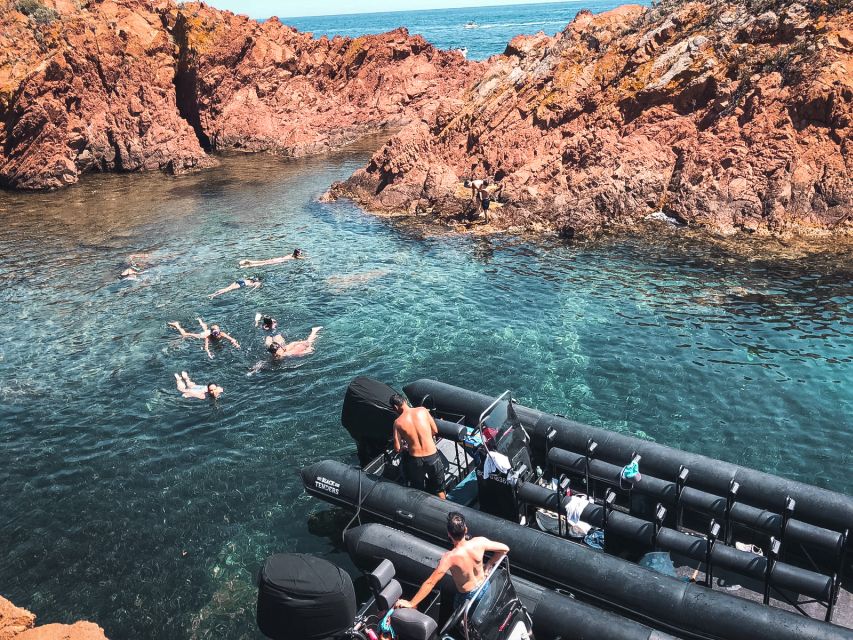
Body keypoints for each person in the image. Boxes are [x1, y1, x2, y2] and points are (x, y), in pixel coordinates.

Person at [396, 512, 509, 611]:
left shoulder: (449, 558)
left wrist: (411, 603)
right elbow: (505, 549)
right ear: (466, 529)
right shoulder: (479, 542)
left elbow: (430, 582)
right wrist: (489, 563)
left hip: (468, 596)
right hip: (484, 586)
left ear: (449, 534)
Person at [390, 393, 447, 499]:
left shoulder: (397, 423)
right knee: (439, 489)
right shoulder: (423, 410)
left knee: (418, 489)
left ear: (396, 407)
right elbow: (435, 430)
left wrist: (406, 445)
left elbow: (397, 448)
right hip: (432, 456)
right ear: (405, 401)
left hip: (416, 461)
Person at [168, 318, 240, 358]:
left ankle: (200, 321)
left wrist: (235, 343)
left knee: (206, 329)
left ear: (219, 331)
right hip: (202, 335)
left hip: (207, 331)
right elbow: (206, 347)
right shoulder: (207, 337)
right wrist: (209, 353)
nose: (216, 335)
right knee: (184, 334)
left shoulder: (222, 334)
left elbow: (232, 339)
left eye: (217, 333)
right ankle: (177, 325)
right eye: (214, 333)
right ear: (212, 333)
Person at [239, 248, 304, 268]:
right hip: (278, 261)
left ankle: (249, 261)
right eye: (301, 253)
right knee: (263, 264)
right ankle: (245, 266)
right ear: (297, 253)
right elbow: (303, 258)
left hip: (276, 258)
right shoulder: (295, 257)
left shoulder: (291, 254)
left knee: (262, 261)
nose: (301, 254)